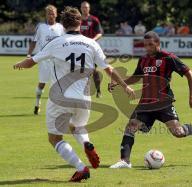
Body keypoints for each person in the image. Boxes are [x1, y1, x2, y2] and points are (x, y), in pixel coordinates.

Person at [14, 6, 135, 182]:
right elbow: (109, 69)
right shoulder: (91, 43)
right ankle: (86, 143)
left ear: (62, 24)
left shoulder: (56, 42)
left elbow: (31, 62)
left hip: (60, 97)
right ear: (80, 23)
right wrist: (125, 86)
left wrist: (19, 64)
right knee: (77, 127)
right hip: (84, 98)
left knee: (55, 138)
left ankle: (81, 168)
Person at [108, 31, 192, 169]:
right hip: (146, 103)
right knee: (131, 126)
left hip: (164, 102)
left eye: (150, 44)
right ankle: (125, 161)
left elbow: (189, 73)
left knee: (178, 133)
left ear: (158, 43)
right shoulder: (143, 59)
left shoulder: (169, 58)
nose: (147, 48)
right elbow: (136, 77)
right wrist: (120, 83)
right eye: (145, 45)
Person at [27, 5, 64, 115]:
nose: (51, 15)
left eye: (53, 13)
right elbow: (34, 41)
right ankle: (37, 104)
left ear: (56, 14)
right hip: (44, 61)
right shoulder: (41, 27)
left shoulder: (61, 28)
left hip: (57, 60)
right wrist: (29, 54)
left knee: (59, 84)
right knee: (42, 83)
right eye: (49, 13)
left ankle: (59, 108)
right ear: (46, 15)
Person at [80, 1, 103, 98]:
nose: (85, 9)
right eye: (83, 7)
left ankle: (98, 91)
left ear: (89, 8)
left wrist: (92, 40)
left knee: (93, 70)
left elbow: (100, 33)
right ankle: (82, 91)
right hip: (79, 48)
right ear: (81, 8)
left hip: (91, 49)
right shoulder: (77, 19)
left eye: (86, 7)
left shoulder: (94, 20)